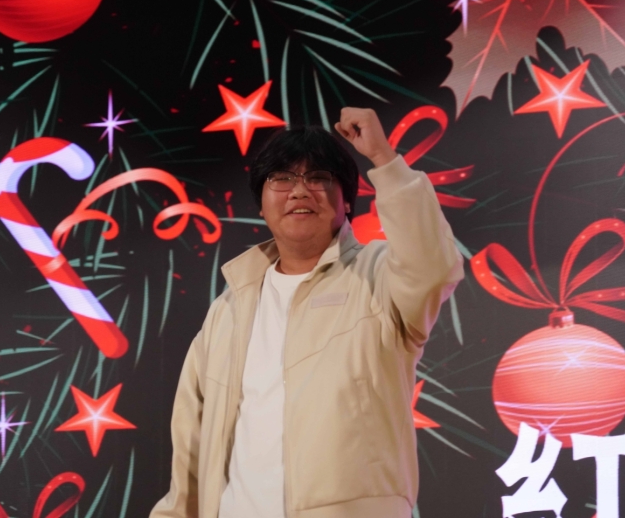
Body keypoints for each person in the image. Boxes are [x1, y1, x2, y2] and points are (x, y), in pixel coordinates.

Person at [150, 107, 465, 518]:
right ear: (261, 204)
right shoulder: (228, 309)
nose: (299, 191)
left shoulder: (378, 276)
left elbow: (433, 266)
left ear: (347, 200)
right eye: (281, 178)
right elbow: (191, 441)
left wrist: (384, 159)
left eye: (318, 178)